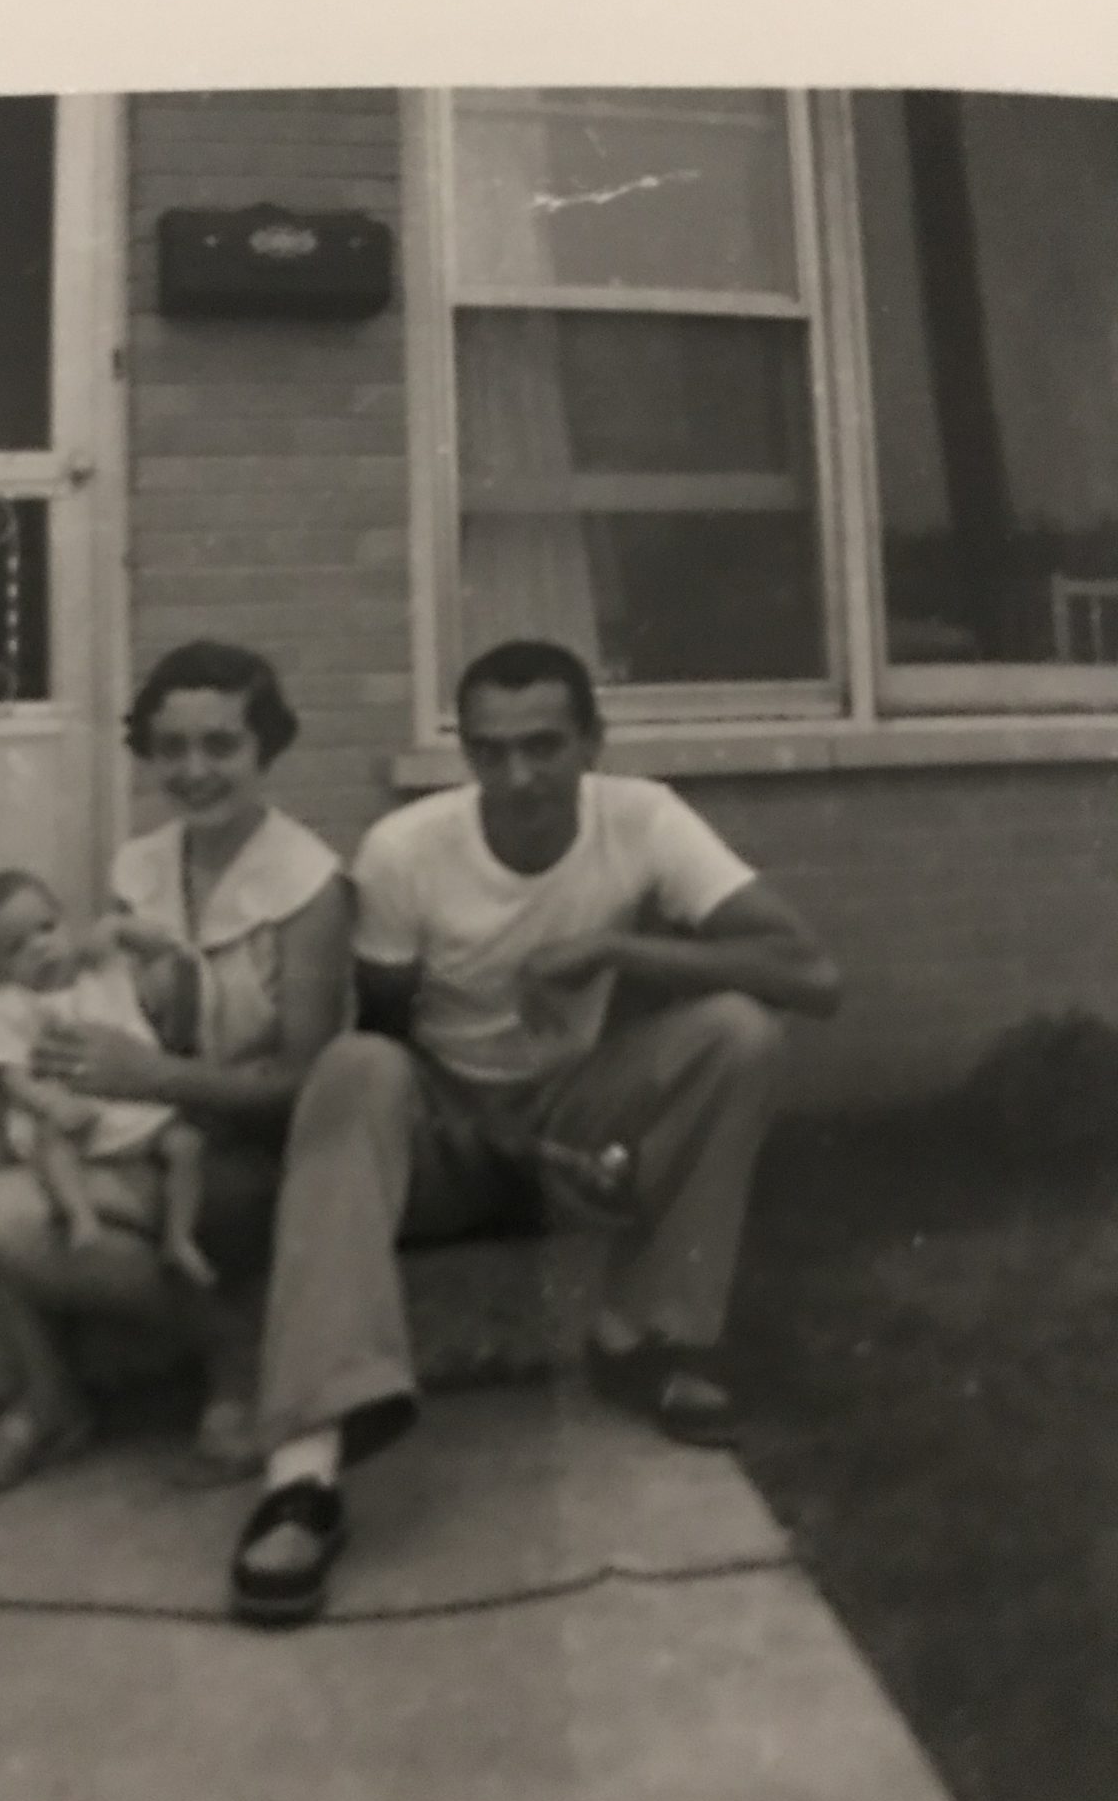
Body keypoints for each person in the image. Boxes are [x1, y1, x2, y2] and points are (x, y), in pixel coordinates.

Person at [227, 638, 843, 1628]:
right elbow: (386, 1044)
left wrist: (613, 944)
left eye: (545, 747)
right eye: (491, 750)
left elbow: (815, 975)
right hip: (446, 1131)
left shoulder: (643, 818)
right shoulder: (407, 851)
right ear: (466, 753)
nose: (517, 777)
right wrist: (495, 1138)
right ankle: (304, 1471)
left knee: (741, 1033)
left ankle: (647, 1337)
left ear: (594, 743)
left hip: (570, 1109)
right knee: (352, 1068)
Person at [0, 640, 350, 1499]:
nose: (194, 771)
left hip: (239, 1151)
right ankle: (50, 1395)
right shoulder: (142, 866)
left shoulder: (311, 888)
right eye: (171, 749)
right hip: (136, 1128)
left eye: (222, 745)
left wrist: (153, 1080)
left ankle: (231, 1351)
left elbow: (307, 1088)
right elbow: (100, 1000)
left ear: (266, 748)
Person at [0, 867, 211, 1284]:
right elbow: (11, 1075)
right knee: (50, 1143)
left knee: (188, 1145)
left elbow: (168, 949)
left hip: (136, 1108)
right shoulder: (13, 1007)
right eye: (16, 947)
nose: (41, 947)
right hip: (75, 1119)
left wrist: (119, 928)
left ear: (66, 922)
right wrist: (52, 1103)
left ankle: (180, 1237)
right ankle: (80, 1217)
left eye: (47, 927)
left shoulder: (105, 970)